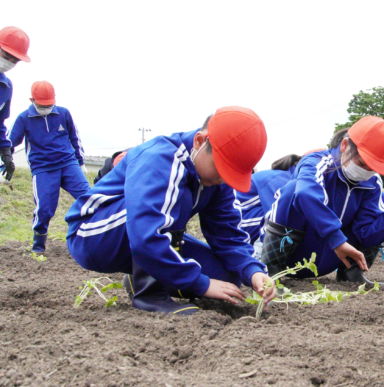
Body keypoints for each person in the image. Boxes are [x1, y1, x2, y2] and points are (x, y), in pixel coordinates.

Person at [65, 106, 275, 315]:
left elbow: (227, 234)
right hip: (93, 235)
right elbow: (146, 233)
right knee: (175, 199)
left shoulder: (215, 180)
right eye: (221, 168)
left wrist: (253, 271)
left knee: (226, 279)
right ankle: (149, 294)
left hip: (146, 235)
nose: (222, 178)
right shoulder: (161, 158)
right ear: (200, 141)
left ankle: (145, 273)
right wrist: (199, 283)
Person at [252, 116, 384, 285]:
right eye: (361, 162)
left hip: (331, 259)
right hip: (292, 254)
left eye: (372, 167)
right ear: (345, 145)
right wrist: (336, 239)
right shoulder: (316, 163)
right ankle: (271, 272)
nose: (366, 171)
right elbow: (305, 195)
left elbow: (366, 232)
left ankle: (351, 274)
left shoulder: (372, 183)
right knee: (294, 190)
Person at [10, 81, 90, 253]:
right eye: (41, 105)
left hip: (68, 163)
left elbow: (74, 137)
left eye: (49, 104)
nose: (46, 108)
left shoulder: (63, 113)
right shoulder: (24, 118)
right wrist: (5, 158)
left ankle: (92, 237)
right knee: (45, 207)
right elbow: (11, 141)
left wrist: (80, 161)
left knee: (89, 198)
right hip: (43, 168)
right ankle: (38, 246)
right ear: (32, 100)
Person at [0, 26, 31, 182]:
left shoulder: (6, 87)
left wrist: (5, 150)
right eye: (6, 55)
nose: (9, 62)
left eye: (15, 60)